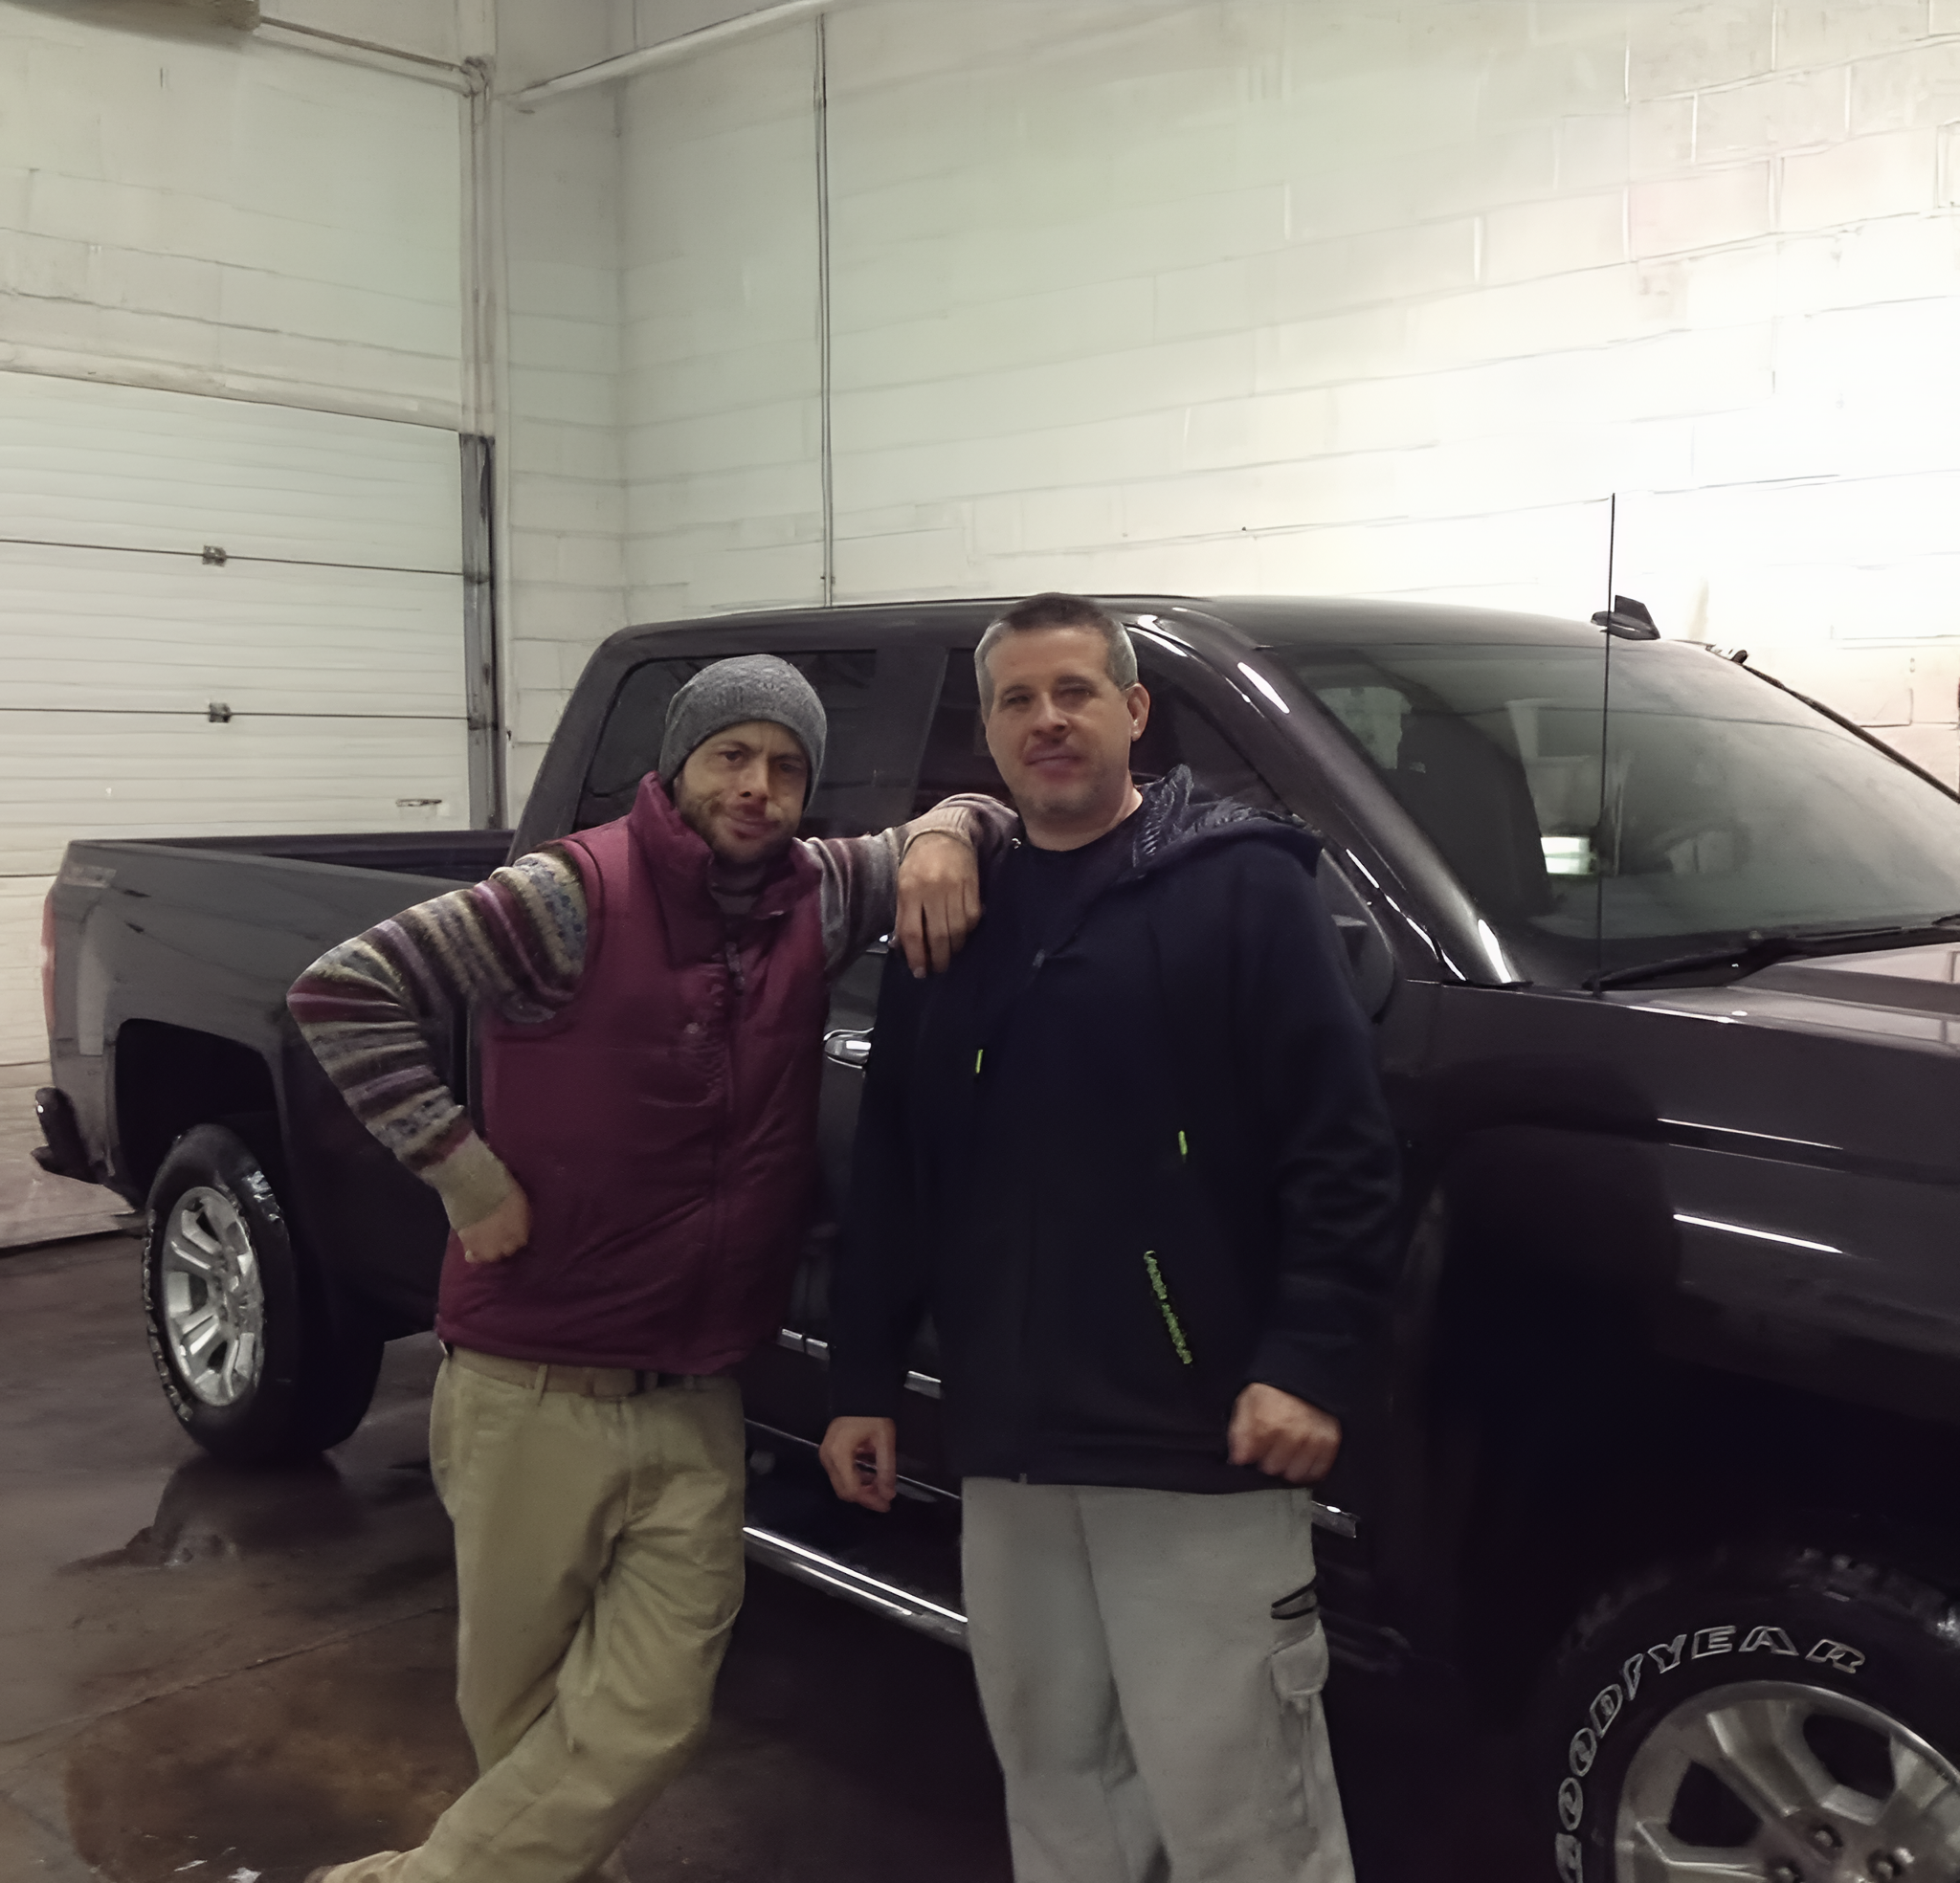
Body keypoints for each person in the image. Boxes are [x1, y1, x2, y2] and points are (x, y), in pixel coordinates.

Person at [292, 654, 1013, 1883]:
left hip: (693, 1395)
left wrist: (947, 825)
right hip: (532, 1392)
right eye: (732, 755)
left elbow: (989, 814)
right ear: (676, 766)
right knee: (522, 1727)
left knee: (648, 1713)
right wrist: (464, 1172)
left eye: (787, 768)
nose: (759, 787)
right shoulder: (568, 893)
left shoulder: (819, 891)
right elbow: (343, 990)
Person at [819, 595, 1400, 1883]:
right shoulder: (950, 919)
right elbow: (901, 1172)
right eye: (1020, 701)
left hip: (1197, 1442)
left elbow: (1342, 1151)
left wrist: (1308, 1357)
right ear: (990, 732)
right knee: (1055, 1778)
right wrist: (862, 1381)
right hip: (1012, 1452)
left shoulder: (1245, 889)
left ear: (1134, 712)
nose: (1049, 721)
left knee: (1243, 1805)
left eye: (1076, 691)